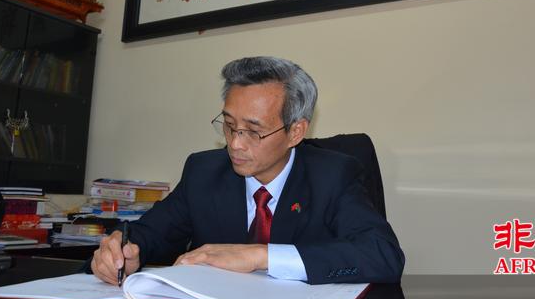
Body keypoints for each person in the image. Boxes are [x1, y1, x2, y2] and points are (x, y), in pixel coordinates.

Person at [90, 56, 404, 285]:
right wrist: (125, 249)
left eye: (253, 131)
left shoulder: (333, 175)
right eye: (229, 125)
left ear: (295, 132)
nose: (235, 144)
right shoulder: (203, 171)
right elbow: (151, 233)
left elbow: (383, 255)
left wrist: (259, 256)